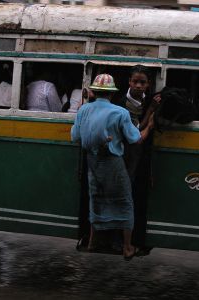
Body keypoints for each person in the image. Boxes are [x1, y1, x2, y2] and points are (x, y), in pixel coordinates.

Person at [71, 74, 154, 260]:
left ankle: (92, 243)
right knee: (124, 202)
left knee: (96, 200)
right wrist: (149, 126)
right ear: (112, 94)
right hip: (113, 164)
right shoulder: (120, 112)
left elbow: (75, 137)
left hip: (92, 163)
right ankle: (126, 247)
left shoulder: (83, 110)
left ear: (94, 92)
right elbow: (135, 139)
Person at [118, 65, 160, 253]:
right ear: (129, 82)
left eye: (142, 82)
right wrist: (150, 113)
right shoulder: (120, 102)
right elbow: (133, 131)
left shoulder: (149, 100)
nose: (138, 86)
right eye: (135, 81)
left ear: (148, 85)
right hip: (123, 151)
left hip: (140, 153)